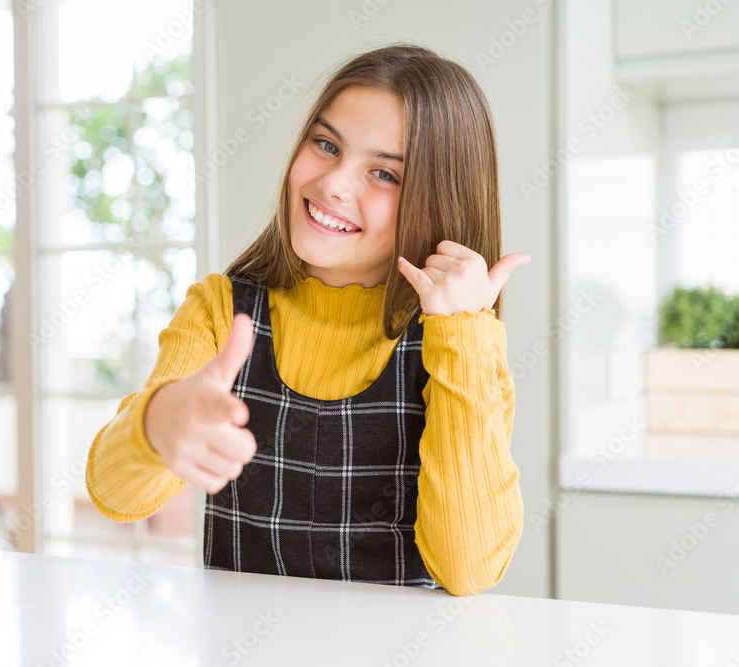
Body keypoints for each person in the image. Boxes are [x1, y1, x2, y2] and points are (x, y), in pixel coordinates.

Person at [86, 42, 530, 596]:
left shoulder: (461, 341)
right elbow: (115, 496)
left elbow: (467, 571)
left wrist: (464, 330)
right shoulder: (220, 309)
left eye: (384, 174)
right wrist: (155, 423)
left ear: (439, 198)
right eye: (326, 145)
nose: (333, 184)